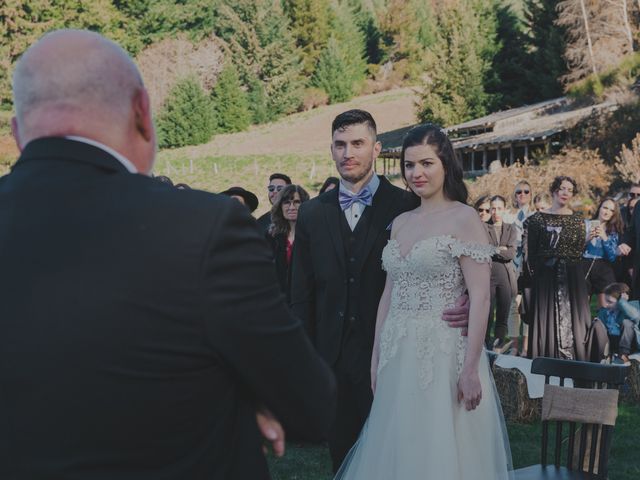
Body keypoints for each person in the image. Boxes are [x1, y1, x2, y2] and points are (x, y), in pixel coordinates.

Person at [0, 30, 336, 480]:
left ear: (18, 132)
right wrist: (237, 400)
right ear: (142, 112)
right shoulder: (204, 227)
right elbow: (310, 404)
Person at [291, 110, 470, 472]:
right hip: (332, 357)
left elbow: (456, 257)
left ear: (376, 148)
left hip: (396, 354)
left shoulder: (407, 205)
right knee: (343, 457)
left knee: (401, 455)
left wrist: (463, 298)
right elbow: (302, 293)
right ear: (331, 149)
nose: (347, 153)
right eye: (340, 145)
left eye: (357, 143)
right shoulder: (311, 213)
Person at [334, 124, 511, 479]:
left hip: (444, 354)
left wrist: (471, 368)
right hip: (398, 355)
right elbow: (390, 292)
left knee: (440, 450)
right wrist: (376, 355)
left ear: (446, 164)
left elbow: (480, 297)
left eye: (427, 163)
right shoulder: (400, 222)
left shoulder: (465, 218)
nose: (417, 173)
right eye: (410, 165)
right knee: (399, 448)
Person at [525, 176, 591, 360]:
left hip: (571, 278)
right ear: (554, 190)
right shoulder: (537, 219)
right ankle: (546, 359)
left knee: (572, 319)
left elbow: (578, 251)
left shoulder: (578, 220)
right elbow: (532, 256)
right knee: (547, 319)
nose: (565, 193)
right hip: (545, 278)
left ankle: (573, 360)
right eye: (562, 188)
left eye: (570, 190)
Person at [485, 195, 518, 353]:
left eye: (499, 208)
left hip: (505, 276)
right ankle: (485, 347)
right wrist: (499, 249)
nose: (496, 211)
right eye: (493, 208)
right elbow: (483, 250)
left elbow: (511, 254)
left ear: (504, 209)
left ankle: (498, 348)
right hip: (488, 276)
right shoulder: (484, 228)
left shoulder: (511, 228)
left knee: (502, 316)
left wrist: (494, 251)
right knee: (488, 315)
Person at [267, 184, 310, 302]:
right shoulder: (271, 237)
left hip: (305, 302)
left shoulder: (313, 236)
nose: (291, 207)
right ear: (280, 206)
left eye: (297, 202)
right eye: (286, 202)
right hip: (278, 303)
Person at [507, 181, 534, 356]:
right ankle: (514, 345)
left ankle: (526, 347)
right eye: (518, 192)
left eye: (526, 191)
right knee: (513, 305)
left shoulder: (537, 213)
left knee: (528, 305)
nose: (522, 194)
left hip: (531, 265)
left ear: (531, 194)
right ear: (514, 196)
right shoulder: (509, 217)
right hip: (514, 264)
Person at [583, 197, 622, 308]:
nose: (607, 212)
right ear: (599, 208)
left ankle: (601, 325)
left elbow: (612, 257)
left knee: (606, 306)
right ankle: (583, 325)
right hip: (584, 264)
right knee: (582, 306)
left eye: (611, 210)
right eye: (605, 208)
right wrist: (587, 238)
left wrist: (605, 238)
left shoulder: (613, 231)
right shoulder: (586, 224)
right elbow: (575, 249)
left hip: (603, 266)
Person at [597, 283, 640, 363]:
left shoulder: (631, 306)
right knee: (598, 325)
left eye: (610, 302)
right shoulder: (604, 312)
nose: (606, 304)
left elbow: (636, 317)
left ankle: (623, 355)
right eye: (606, 301)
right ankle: (605, 355)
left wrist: (622, 302)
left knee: (627, 322)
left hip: (630, 345)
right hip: (613, 343)